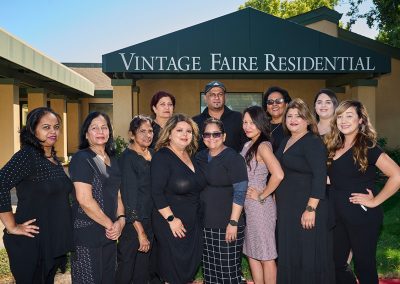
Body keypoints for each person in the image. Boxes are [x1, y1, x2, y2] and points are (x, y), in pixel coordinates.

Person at [325, 100, 400, 284]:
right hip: (337, 215)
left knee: (364, 265)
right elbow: (333, 179)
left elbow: (396, 175)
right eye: (340, 116)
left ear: (360, 120)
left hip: (361, 215)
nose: (343, 120)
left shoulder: (367, 145)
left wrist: (375, 201)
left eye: (349, 116)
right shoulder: (335, 145)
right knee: (336, 264)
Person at [0, 107, 73, 283]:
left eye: (56, 127)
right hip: (32, 243)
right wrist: (12, 226)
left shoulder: (54, 159)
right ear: (33, 130)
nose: (53, 131)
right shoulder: (27, 156)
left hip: (52, 241)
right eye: (46, 127)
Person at [275, 98, 335, 283]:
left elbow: (320, 176)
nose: (293, 119)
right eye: (290, 116)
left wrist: (310, 209)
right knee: (290, 253)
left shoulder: (312, 141)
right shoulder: (286, 140)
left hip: (307, 207)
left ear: (308, 120)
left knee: (308, 255)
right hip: (288, 210)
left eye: (298, 116)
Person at [69, 112, 125, 283]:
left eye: (104, 127)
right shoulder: (82, 158)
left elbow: (118, 195)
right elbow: (84, 199)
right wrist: (111, 225)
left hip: (109, 234)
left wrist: (121, 221)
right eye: (94, 128)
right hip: (88, 234)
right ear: (86, 134)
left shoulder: (113, 159)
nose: (100, 131)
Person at [151, 114, 206, 284]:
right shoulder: (162, 157)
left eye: (189, 131)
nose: (185, 134)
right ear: (169, 133)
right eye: (180, 130)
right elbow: (156, 192)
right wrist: (171, 219)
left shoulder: (191, 155)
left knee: (186, 270)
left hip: (192, 222)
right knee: (173, 270)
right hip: (171, 223)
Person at [196, 118, 248, 284]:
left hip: (228, 224)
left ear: (224, 136)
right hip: (205, 223)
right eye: (207, 134)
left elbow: (240, 192)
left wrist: (233, 222)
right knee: (210, 272)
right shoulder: (200, 157)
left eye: (216, 134)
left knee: (228, 272)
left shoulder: (234, 158)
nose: (211, 137)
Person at [241, 106, 284, 284]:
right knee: (252, 252)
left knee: (266, 255)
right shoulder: (248, 144)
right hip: (248, 207)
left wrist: (262, 195)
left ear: (261, 123)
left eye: (252, 122)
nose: (247, 126)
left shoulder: (263, 145)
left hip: (260, 208)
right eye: (244, 122)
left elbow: (279, 174)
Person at [116, 115, 155, 284]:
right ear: (132, 134)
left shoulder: (153, 154)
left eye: (150, 131)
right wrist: (141, 233)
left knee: (143, 269)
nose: (148, 135)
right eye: (142, 131)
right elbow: (128, 198)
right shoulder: (128, 159)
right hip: (134, 225)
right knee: (127, 268)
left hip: (150, 220)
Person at [193, 80, 246, 152]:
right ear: (205, 98)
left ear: (225, 97)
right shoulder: (195, 121)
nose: (216, 97)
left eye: (220, 94)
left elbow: (246, 145)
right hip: (203, 163)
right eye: (212, 95)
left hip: (234, 162)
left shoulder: (238, 118)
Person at [263, 86, 292, 152]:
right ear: (266, 107)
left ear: (286, 104)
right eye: (270, 102)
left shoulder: (292, 125)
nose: (274, 104)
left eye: (279, 101)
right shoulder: (261, 125)